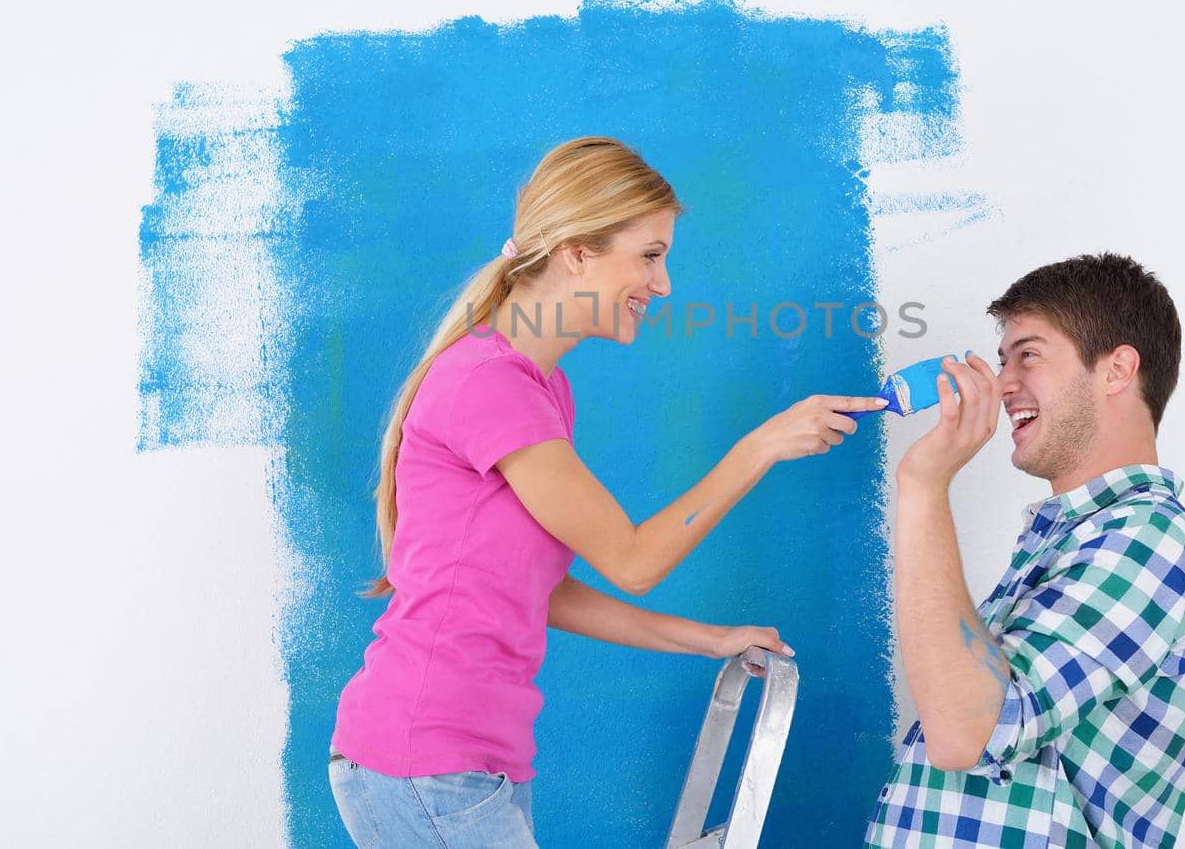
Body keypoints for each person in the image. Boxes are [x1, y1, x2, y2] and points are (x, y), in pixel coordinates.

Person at [328, 136, 888, 848]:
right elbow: (631, 560)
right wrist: (763, 446)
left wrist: (710, 640)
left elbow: (537, 587)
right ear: (577, 252)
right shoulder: (489, 385)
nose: (664, 285)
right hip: (425, 763)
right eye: (650, 255)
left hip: (463, 767)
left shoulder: (539, 387)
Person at [865, 254, 1185, 848]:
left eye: (1028, 355)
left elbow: (966, 733)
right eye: (1004, 359)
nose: (1004, 383)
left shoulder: (1149, 539)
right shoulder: (1072, 541)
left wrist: (924, 486)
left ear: (1117, 370)